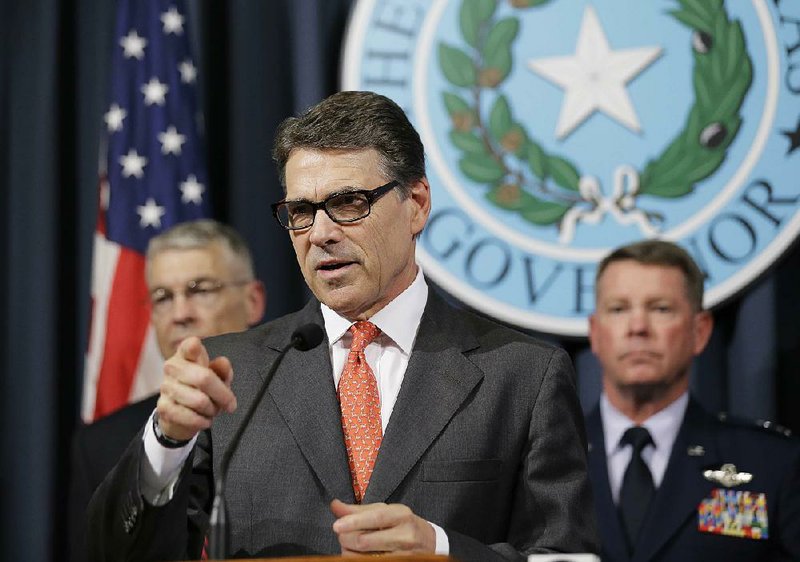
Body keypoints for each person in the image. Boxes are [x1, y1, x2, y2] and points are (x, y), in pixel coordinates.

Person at [87, 90, 598, 561]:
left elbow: (567, 556)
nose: (322, 234)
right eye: (301, 211)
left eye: (349, 203)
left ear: (416, 204)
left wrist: (443, 550)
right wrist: (166, 440)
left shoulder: (523, 374)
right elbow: (118, 550)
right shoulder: (235, 373)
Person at [585, 239, 800, 562]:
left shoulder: (773, 464)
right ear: (595, 333)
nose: (638, 327)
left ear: (699, 332)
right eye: (619, 309)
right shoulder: (541, 462)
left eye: (661, 308)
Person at [69, 219, 265, 562]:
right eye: (162, 297)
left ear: (253, 301)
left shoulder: (307, 406)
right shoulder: (99, 444)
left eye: (200, 289)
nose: (180, 314)